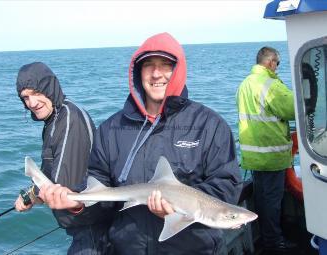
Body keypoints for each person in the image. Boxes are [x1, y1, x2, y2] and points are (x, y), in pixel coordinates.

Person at [39, 33, 242, 254]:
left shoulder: (210, 125)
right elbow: (102, 201)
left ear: (178, 71)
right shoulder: (111, 129)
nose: (156, 73)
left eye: (166, 65)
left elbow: (227, 186)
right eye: (149, 65)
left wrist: (178, 206)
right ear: (138, 72)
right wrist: (77, 205)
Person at [14, 62, 110, 255]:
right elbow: (49, 172)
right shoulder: (53, 121)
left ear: (49, 87)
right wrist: (32, 193)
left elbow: (62, 187)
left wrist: (31, 195)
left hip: (92, 231)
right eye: (26, 97)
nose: (32, 103)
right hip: (81, 228)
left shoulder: (69, 119)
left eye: (37, 92)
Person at [236, 47, 296, 254]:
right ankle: (274, 243)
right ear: (270, 62)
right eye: (277, 63)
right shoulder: (270, 85)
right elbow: (293, 109)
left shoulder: (245, 84)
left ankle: (269, 238)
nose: (278, 68)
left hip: (253, 156)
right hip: (271, 155)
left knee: (262, 200)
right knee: (272, 202)